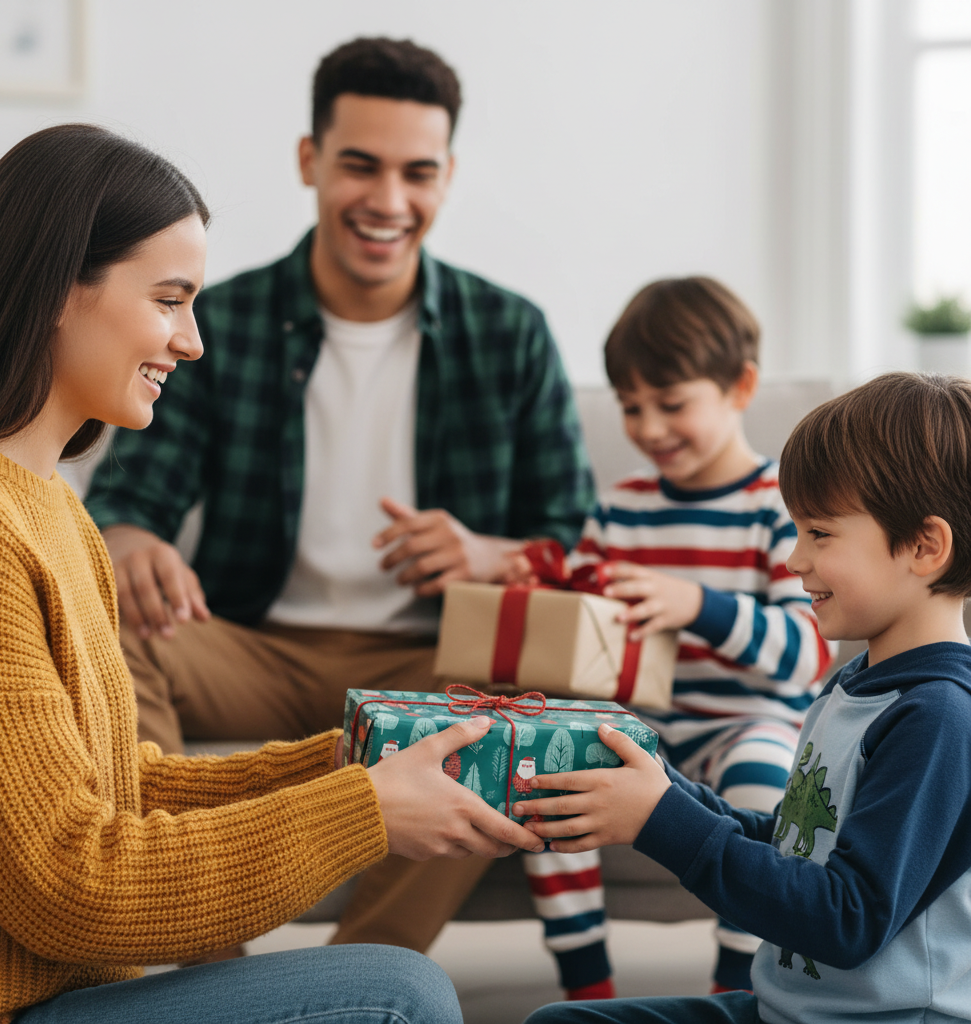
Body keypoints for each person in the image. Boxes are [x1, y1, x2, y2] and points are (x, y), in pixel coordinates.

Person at [0, 122, 545, 1024]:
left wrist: (348, 762)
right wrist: (361, 810)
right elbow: (66, 884)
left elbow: (119, 786)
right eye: (169, 300)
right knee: (398, 994)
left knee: (396, 980)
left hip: (67, 993)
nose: (191, 341)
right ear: (61, 289)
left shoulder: (49, 505)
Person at [82, 36, 594, 957]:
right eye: (360, 164)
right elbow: (130, 497)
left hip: (432, 662)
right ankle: (203, 969)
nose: (388, 201)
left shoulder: (509, 332)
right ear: (311, 160)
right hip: (257, 652)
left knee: (529, 688)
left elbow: (572, 538)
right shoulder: (218, 319)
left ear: (447, 177)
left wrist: (487, 554)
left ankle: (361, 978)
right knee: (109, 620)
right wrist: (129, 538)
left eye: (417, 173)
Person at [518, 370, 971, 1024]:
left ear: (924, 547)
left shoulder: (939, 718)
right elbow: (797, 846)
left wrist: (662, 822)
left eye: (819, 534)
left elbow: (847, 919)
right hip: (793, 1007)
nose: (793, 560)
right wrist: (665, 795)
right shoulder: (854, 686)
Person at [508, 278, 834, 998]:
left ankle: (732, 988)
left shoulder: (781, 508)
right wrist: (547, 588)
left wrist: (696, 605)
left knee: (763, 775)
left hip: (745, 722)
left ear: (740, 386)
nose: (650, 427)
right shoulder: (621, 508)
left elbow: (805, 654)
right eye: (631, 407)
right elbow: (582, 625)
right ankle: (587, 987)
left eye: (672, 403)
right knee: (551, 774)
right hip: (643, 723)